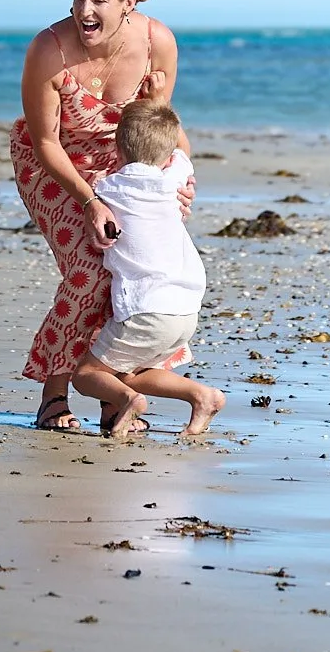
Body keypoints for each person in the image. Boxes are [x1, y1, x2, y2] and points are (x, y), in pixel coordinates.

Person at [11, 0, 184, 432]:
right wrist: (89, 201)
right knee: (90, 269)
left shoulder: (158, 43)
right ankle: (53, 394)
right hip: (53, 165)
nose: (84, 11)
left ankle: (114, 394)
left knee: (135, 270)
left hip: (123, 164)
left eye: (98, 1)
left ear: (127, 3)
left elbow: (159, 126)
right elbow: (45, 141)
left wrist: (182, 180)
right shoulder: (49, 50)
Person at [71, 99, 224, 438]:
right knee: (129, 371)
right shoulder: (173, 178)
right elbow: (184, 148)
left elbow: (89, 207)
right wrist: (161, 101)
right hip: (186, 307)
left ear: (117, 151)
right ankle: (202, 396)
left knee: (85, 376)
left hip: (146, 308)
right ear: (168, 157)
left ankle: (129, 401)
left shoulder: (107, 189)